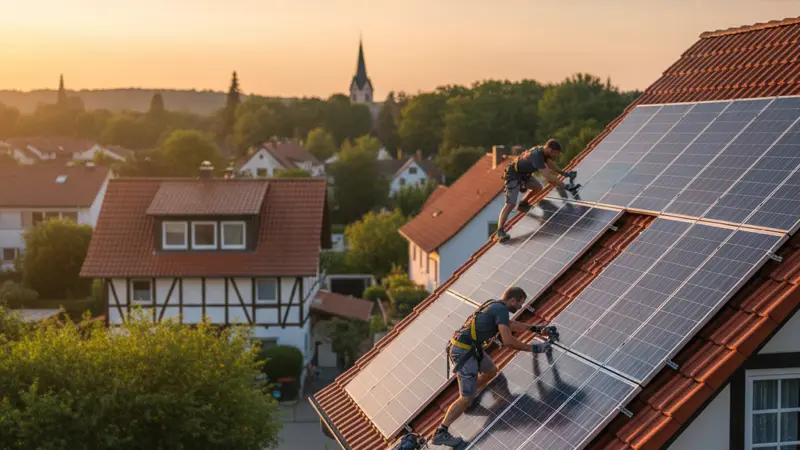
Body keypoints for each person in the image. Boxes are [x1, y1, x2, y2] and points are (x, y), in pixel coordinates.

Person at [432, 286, 556, 447]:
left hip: (470, 347)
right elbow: (508, 341)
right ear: (512, 300)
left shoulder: (495, 305)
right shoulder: (501, 309)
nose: (520, 307)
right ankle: (441, 432)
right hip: (464, 352)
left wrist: (534, 329)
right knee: (466, 399)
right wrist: (534, 348)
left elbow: (509, 324)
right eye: (520, 303)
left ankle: (471, 391)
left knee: (490, 370)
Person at [495, 139, 570, 243]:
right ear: (549, 149)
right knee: (510, 204)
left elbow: (550, 164)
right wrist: (565, 186)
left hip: (524, 176)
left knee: (538, 187)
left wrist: (563, 173)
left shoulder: (544, 153)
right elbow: (548, 177)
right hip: (513, 176)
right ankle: (500, 231)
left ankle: (523, 203)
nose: (555, 155)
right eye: (554, 153)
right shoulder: (536, 156)